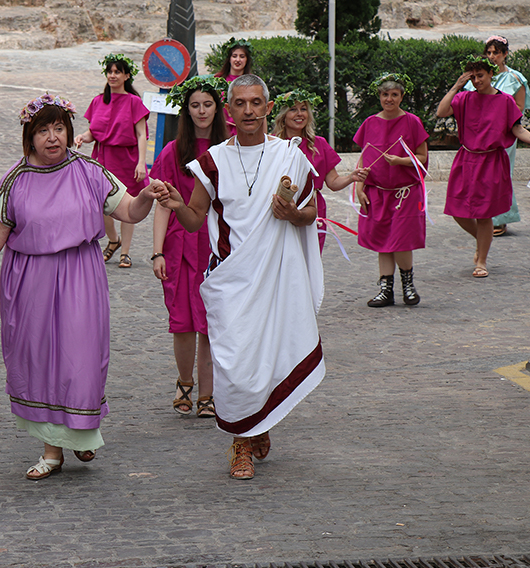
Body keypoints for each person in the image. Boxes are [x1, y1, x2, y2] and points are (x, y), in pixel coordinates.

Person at [0, 94, 168, 480]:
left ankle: (80, 434)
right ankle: (53, 450)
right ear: (29, 137)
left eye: (58, 128)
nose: (52, 137)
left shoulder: (89, 171)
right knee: (39, 362)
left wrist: (147, 198)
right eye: (43, 131)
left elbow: (128, 211)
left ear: (69, 132)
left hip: (80, 276)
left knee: (80, 358)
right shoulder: (16, 179)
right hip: (29, 281)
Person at [156, 75, 324, 480]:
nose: (248, 111)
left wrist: (292, 215)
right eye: (240, 104)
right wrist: (178, 204)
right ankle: (243, 436)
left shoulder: (290, 156)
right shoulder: (212, 160)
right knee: (233, 363)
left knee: (267, 357)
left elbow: (310, 213)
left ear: (268, 107)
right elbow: (196, 220)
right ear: (228, 111)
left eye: (256, 103)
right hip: (231, 277)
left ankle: (250, 434)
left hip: (276, 277)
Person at [150, 76, 227, 418]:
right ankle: (184, 383)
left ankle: (208, 395)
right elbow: (163, 204)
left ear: (217, 107)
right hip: (180, 246)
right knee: (182, 322)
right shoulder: (171, 152)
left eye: (207, 104)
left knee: (211, 323)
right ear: (186, 110)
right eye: (194, 105)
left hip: (216, 246)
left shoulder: (230, 148)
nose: (201, 111)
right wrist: (157, 251)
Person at [437, 56, 530, 278]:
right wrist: (456, 86)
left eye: (480, 76)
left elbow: (518, 130)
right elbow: (442, 112)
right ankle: (482, 240)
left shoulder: (505, 102)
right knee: (457, 210)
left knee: (484, 215)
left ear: (492, 74)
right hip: (466, 161)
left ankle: (481, 260)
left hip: (491, 162)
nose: (476, 81)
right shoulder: (464, 98)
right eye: (472, 77)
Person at [353, 73, 428, 306]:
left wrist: (401, 161)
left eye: (394, 94)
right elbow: (363, 160)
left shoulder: (412, 122)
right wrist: (359, 187)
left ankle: (408, 286)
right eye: (385, 94)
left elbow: (423, 158)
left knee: (401, 240)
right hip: (378, 193)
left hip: (405, 193)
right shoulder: (370, 123)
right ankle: (386, 290)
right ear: (379, 96)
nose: (389, 99)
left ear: (401, 96)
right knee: (382, 241)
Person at [270, 89, 369, 252]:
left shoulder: (319, 144)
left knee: (310, 256)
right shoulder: (272, 144)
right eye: (293, 109)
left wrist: (351, 177)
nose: (299, 114)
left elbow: (333, 182)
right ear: (283, 114)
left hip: (313, 209)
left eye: (303, 109)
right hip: (281, 205)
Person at [75, 53, 149, 268]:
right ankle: (113, 240)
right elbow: (93, 133)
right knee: (100, 203)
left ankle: (125, 251)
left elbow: (141, 134)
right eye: (110, 72)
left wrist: (141, 163)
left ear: (127, 76)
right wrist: (82, 137)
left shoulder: (134, 102)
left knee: (129, 205)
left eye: (118, 72)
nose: (113, 75)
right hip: (103, 158)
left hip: (127, 158)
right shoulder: (98, 100)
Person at [463, 35, 530, 236]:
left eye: (496, 52)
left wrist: (501, 121)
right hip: (480, 134)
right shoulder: (478, 77)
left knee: (501, 174)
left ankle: (500, 218)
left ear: (505, 54)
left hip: (504, 134)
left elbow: (519, 107)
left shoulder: (515, 78)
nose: (492, 56)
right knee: (480, 176)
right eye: (489, 52)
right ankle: (481, 215)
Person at [210, 37, 252, 135]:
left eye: (242, 56)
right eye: (234, 56)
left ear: (247, 60)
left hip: (245, 131)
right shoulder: (218, 79)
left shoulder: (253, 82)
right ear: (229, 59)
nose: (238, 60)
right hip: (221, 131)